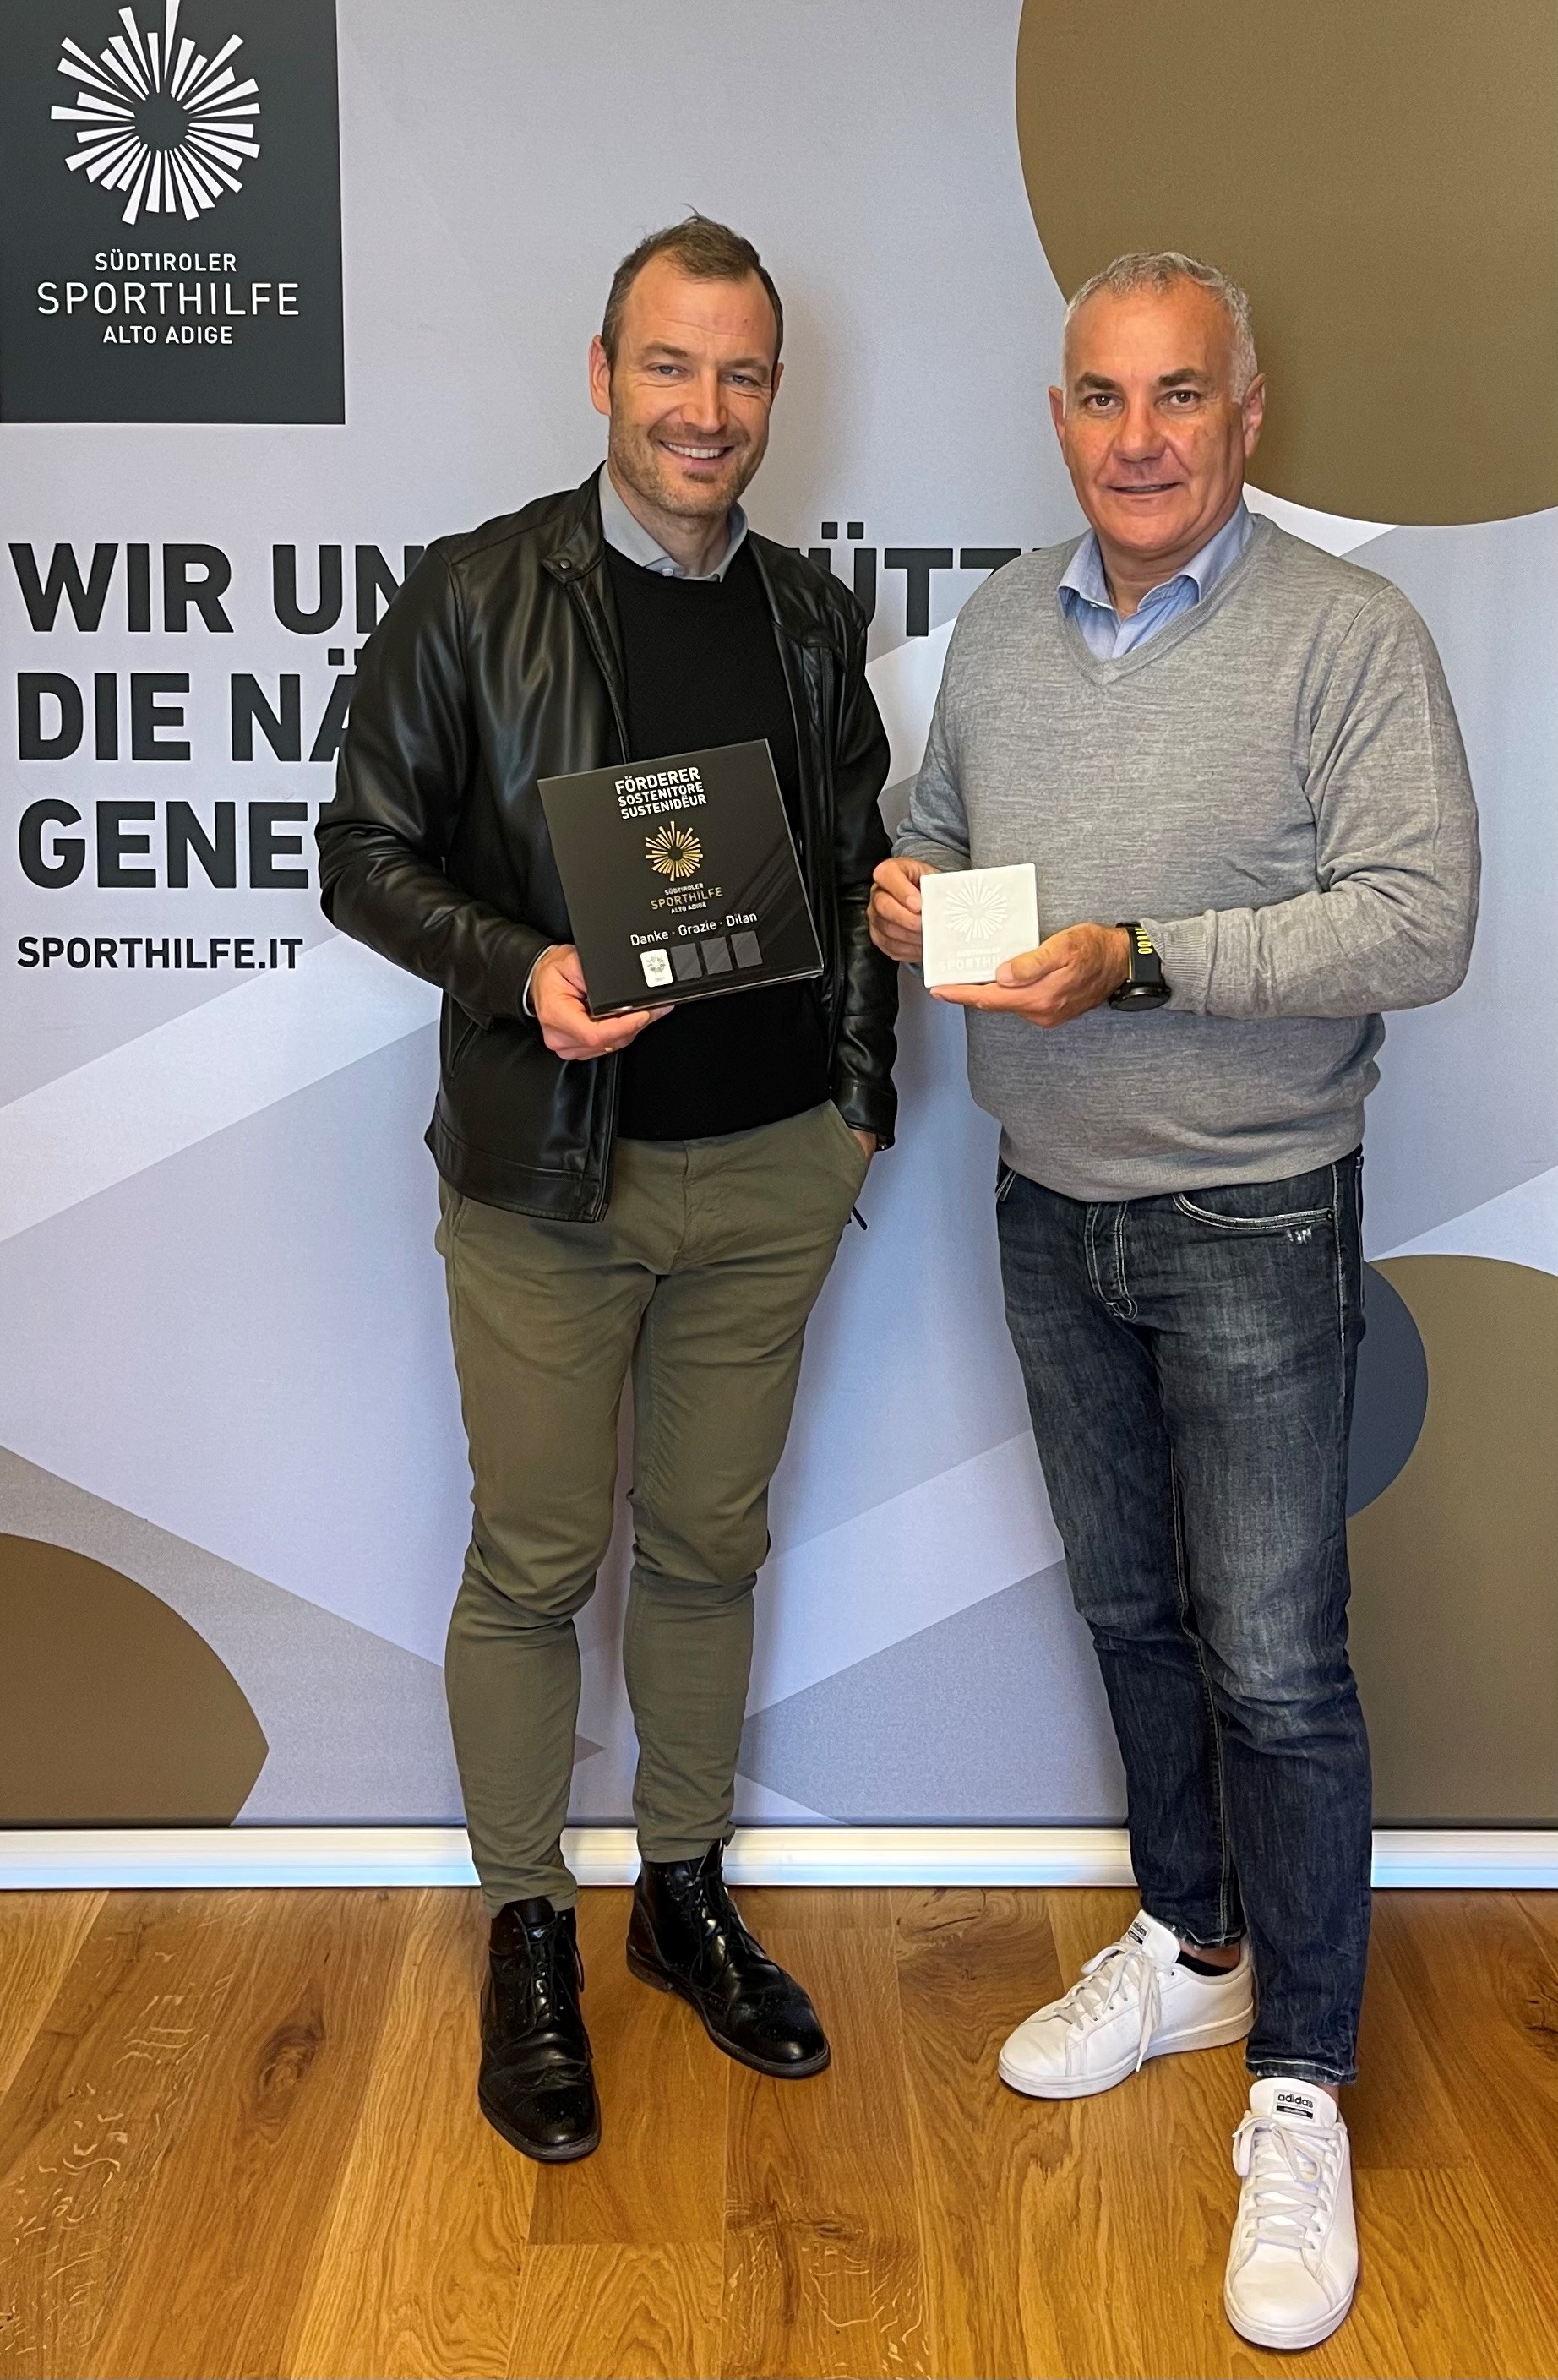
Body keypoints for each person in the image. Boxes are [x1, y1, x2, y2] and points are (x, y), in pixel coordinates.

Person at [869, 249, 1478, 2351]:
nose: (1137, 440)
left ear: (1247, 411)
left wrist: (1139, 956)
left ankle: (1297, 2081)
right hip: (1048, 1204)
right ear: (1060, 417)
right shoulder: (998, 632)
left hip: (1250, 1213)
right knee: (1131, 1614)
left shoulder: (1348, 633)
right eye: (1101, 398)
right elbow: (937, 828)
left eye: (1177, 396)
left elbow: (1419, 920)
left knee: (1278, 1664)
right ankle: (1189, 1943)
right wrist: (903, 882)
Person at [319, 215, 896, 2164]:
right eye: (668, 364)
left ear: (773, 394)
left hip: (771, 1171)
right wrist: (523, 969)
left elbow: (856, 873)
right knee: (535, 1561)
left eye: (739, 372)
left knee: (711, 1546)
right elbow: (360, 847)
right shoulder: (477, 594)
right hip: (549, 1183)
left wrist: (858, 1103)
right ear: (600, 374)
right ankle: (527, 1927)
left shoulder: (809, 619)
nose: (703, 409)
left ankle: (678, 1889)